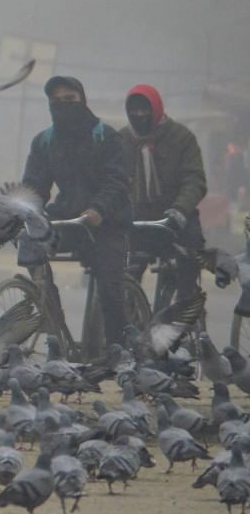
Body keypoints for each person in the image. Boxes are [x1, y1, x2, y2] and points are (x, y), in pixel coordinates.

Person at [21, 75, 132, 348]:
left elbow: (116, 181)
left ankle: (119, 350)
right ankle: (50, 317)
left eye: (69, 100)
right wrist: (28, 213)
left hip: (107, 222)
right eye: (56, 102)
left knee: (109, 288)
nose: (63, 106)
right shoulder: (44, 141)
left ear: (82, 100)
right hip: (68, 218)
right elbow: (34, 186)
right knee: (31, 243)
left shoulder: (106, 136)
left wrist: (98, 209)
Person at [119, 84, 207, 297]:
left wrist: (180, 209)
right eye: (134, 110)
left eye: (145, 109)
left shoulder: (181, 137)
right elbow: (113, 180)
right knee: (124, 277)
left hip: (176, 220)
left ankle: (185, 316)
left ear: (156, 109)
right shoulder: (122, 140)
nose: (139, 115)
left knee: (187, 266)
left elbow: (194, 179)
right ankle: (130, 317)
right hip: (138, 221)